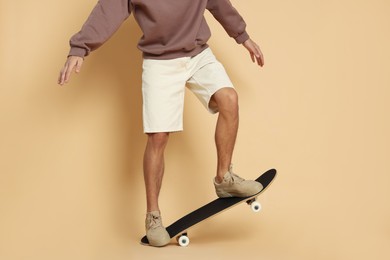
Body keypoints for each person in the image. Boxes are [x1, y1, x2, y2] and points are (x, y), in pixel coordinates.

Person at [58, 0, 265, 247]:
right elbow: (107, 11)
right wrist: (79, 49)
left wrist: (242, 37)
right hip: (160, 61)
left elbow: (218, 3)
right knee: (158, 137)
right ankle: (153, 217)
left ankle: (224, 178)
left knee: (229, 99)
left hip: (198, 53)